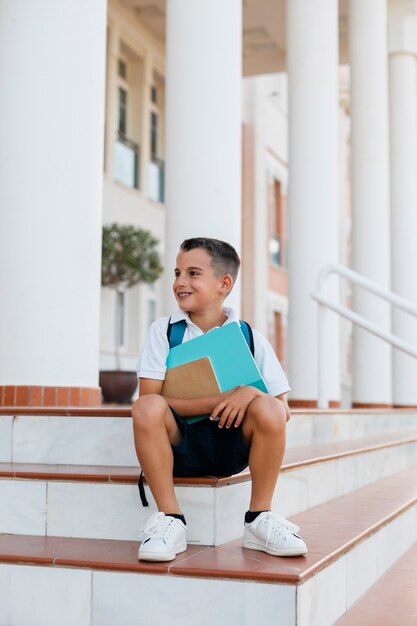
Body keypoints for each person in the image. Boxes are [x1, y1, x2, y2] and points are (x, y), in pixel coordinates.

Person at [132, 237, 307, 562]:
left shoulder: (250, 338)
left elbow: (282, 410)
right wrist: (222, 398)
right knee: (146, 407)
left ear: (223, 283)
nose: (180, 281)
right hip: (180, 443)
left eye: (193, 273)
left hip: (232, 445)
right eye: (177, 272)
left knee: (268, 406)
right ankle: (170, 520)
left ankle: (259, 518)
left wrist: (251, 393)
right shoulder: (164, 331)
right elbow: (150, 401)